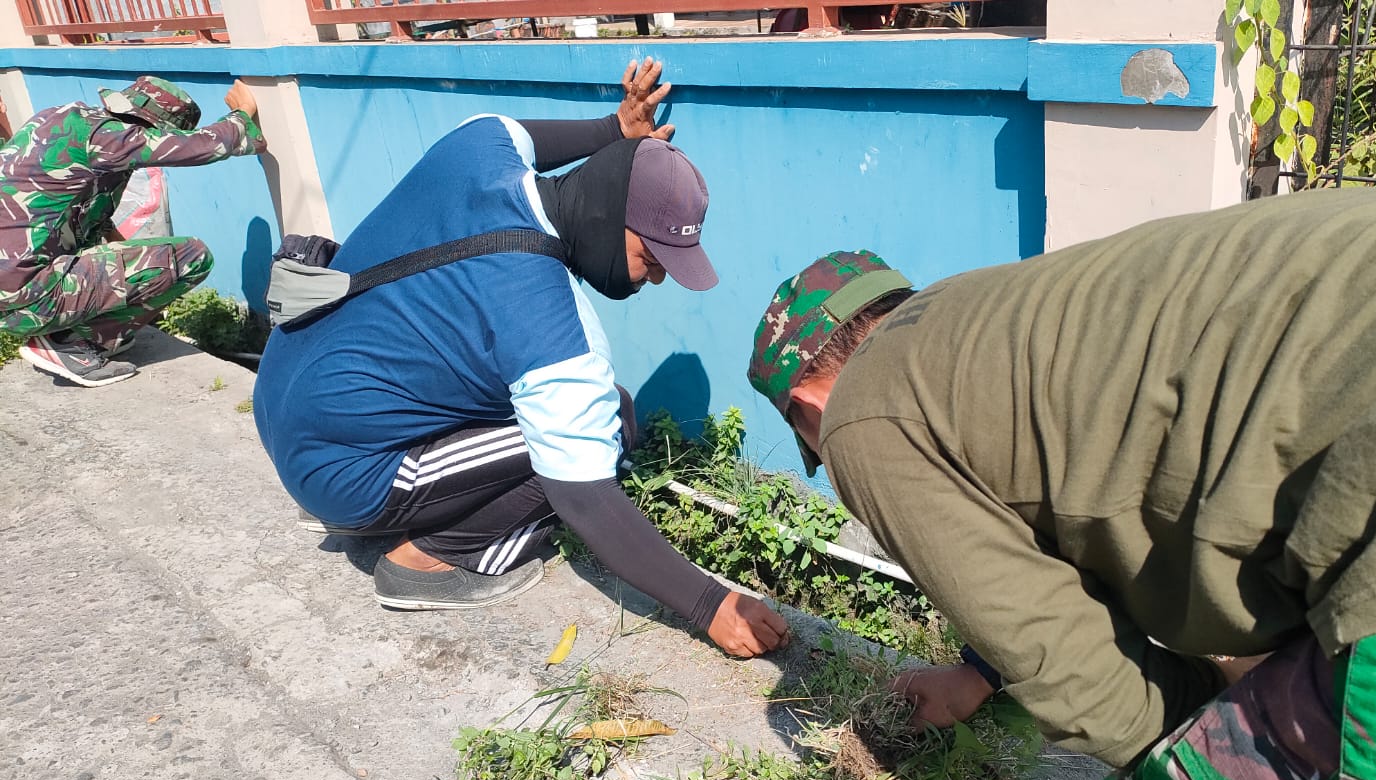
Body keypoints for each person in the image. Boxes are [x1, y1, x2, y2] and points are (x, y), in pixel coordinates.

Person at [746, 189, 1376, 780]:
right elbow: (1057, 526)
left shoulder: (858, 415)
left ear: (808, 407)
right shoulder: (988, 325)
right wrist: (978, 673)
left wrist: (1213, 737)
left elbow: (1071, 669)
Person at [254, 60, 791, 660]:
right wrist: (709, 603)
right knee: (611, 421)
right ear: (607, 216)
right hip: (340, 470)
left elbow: (532, 135)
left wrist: (617, 129)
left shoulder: (480, 147)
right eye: (653, 257)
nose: (658, 277)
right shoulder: (549, 322)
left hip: (281, 393)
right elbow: (584, 496)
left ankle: (361, 491)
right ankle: (433, 558)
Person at [0, 76, 265, 386]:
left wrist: (142, 279)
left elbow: (85, 216)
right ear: (150, 127)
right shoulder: (110, 139)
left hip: (15, 289)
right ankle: (72, 345)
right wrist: (242, 113)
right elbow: (200, 146)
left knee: (153, 263)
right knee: (192, 257)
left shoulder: (63, 121)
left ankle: (82, 332)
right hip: (27, 295)